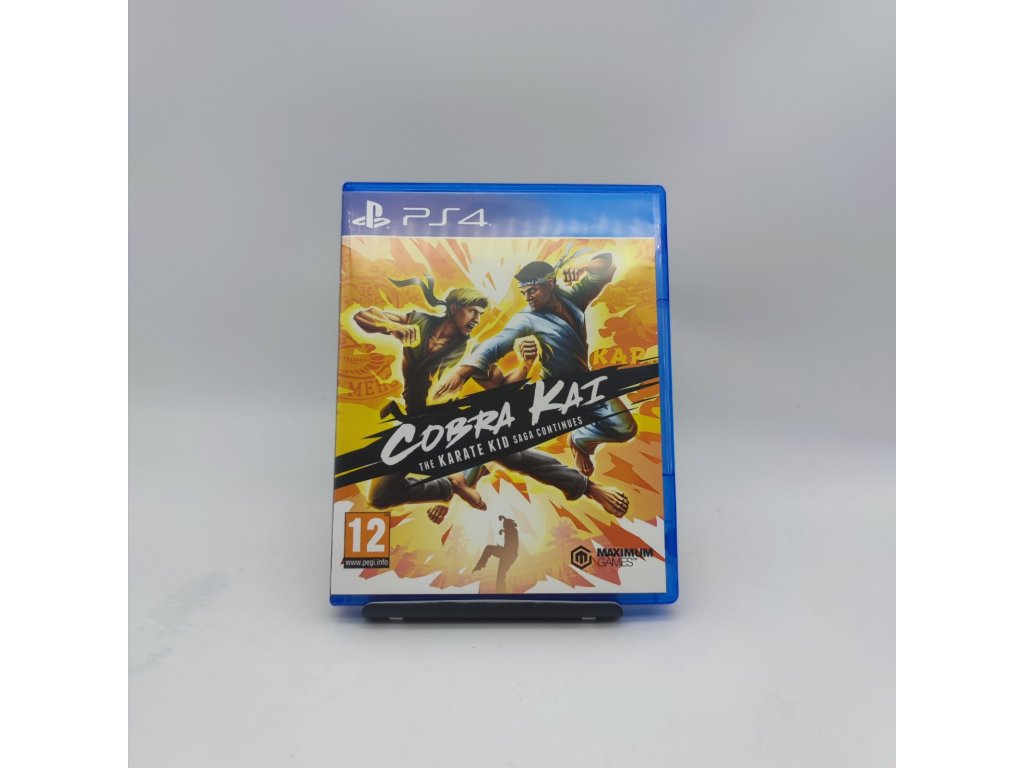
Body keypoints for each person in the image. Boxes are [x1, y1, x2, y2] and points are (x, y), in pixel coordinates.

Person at [434, 249, 638, 478]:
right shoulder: (526, 318)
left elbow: (605, 264)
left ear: (550, 283)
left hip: (585, 385)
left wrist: (583, 267)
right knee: (502, 434)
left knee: (625, 428)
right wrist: (462, 373)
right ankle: (462, 480)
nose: (528, 297)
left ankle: (581, 440)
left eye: (532, 290)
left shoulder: (574, 297)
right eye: (524, 293)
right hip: (551, 392)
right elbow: (495, 344)